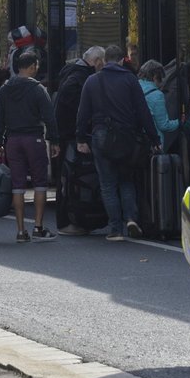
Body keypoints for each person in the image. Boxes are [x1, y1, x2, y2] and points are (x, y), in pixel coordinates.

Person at [75, 45, 159, 241]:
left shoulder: (92, 81)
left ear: (104, 60)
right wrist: (154, 138)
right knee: (126, 180)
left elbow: (83, 113)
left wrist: (80, 138)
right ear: (122, 60)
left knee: (107, 184)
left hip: (101, 136)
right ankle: (131, 218)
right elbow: (142, 112)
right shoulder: (130, 80)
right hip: (126, 137)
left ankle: (115, 228)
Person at [0, 50, 59, 242]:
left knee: (18, 185)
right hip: (34, 139)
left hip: (13, 141)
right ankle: (38, 227)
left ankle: (21, 231)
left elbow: (0, 119)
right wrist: (54, 140)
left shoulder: (5, 89)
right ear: (33, 66)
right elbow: (49, 117)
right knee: (40, 183)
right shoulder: (38, 89)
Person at [53, 46, 105, 236]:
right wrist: (78, 134)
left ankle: (73, 220)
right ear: (97, 61)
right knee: (69, 179)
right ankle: (67, 221)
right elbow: (69, 109)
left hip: (67, 135)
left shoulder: (72, 73)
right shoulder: (79, 78)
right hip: (71, 136)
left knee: (69, 178)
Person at [138, 60, 182, 147]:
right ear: (155, 77)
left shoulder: (135, 86)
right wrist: (180, 122)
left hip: (136, 141)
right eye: (161, 78)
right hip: (152, 143)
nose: (161, 82)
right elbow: (164, 125)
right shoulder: (157, 95)